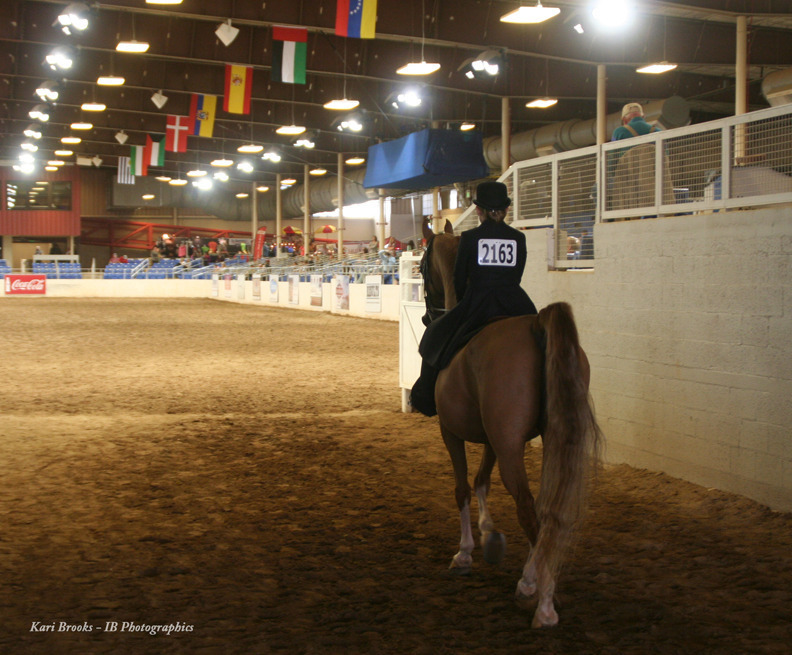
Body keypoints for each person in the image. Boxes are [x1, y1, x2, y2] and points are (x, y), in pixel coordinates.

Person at [410, 181, 537, 417]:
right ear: (506, 210)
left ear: (478, 211)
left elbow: (458, 279)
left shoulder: (470, 238)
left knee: (434, 335)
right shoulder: (518, 238)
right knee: (542, 337)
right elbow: (517, 274)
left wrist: (465, 297)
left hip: (478, 303)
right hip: (515, 301)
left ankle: (425, 398)